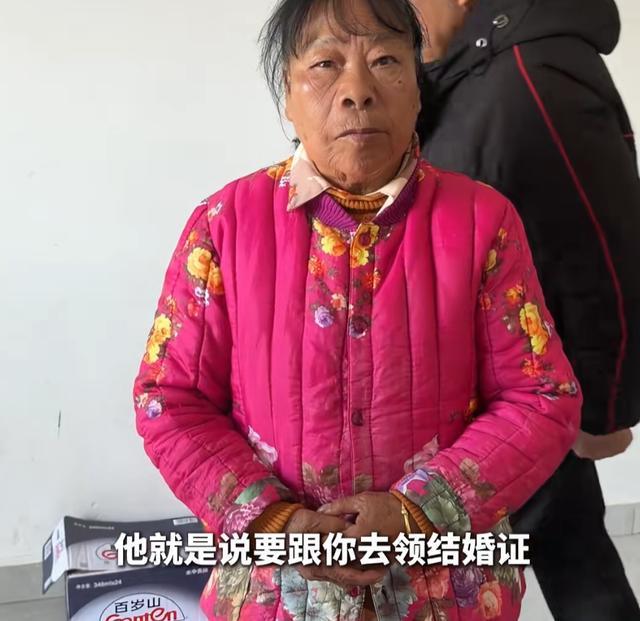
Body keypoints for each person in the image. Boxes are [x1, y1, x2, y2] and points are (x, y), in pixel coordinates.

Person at [133, 0, 581, 618]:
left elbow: (543, 395)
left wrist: (416, 511)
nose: (357, 91)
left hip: (446, 593)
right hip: (275, 593)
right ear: (288, 96)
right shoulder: (223, 226)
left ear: (417, 91)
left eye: (386, 61)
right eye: (325, 65)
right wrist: (277, 523)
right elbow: (169, 399)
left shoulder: (484, 221)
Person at [413, 0, 640, 619]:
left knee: (576, 565)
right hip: (469, 394)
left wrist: (605, 405)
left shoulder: (533, 75)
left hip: (530, 392)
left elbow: (601, 244)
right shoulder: (454, 78)